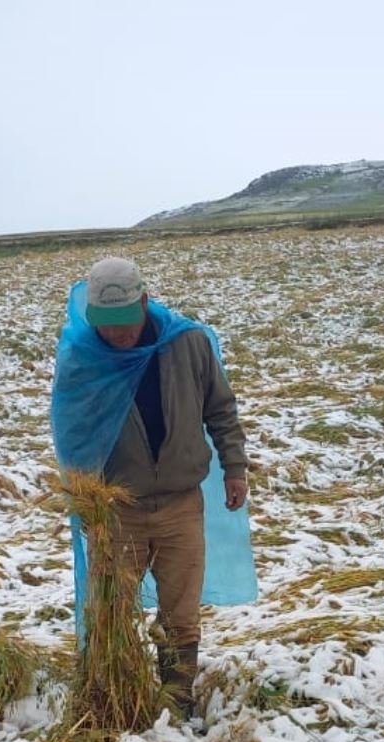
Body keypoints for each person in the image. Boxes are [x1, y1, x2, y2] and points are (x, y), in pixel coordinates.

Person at [49, 257, 255, 716]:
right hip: (117, 509)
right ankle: (117, 696)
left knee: (181, 613)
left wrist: (234, 467)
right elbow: (71, 433)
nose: (117, 335)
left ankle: (177, 699)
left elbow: (221, 410)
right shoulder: (84, 359)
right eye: (106, 325)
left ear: (144, 301)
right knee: (113, 614)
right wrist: (86, 499)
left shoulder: (187, 343)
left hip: (182, 503)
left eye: (124, 322)